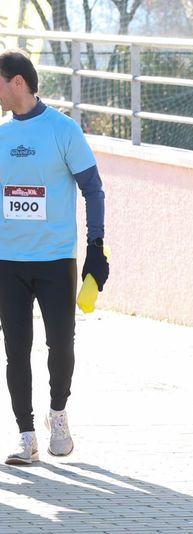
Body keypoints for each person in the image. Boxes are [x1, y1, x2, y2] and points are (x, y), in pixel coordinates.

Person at [0, 49, 108, 465]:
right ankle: (26, 435)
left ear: (18, 83)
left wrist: (96, 246)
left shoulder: (62, 130)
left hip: (54, 259)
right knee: (15, 348)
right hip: (8, 260)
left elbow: (93, 188)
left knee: (61, 343)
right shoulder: (2, 135)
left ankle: (57, 413)